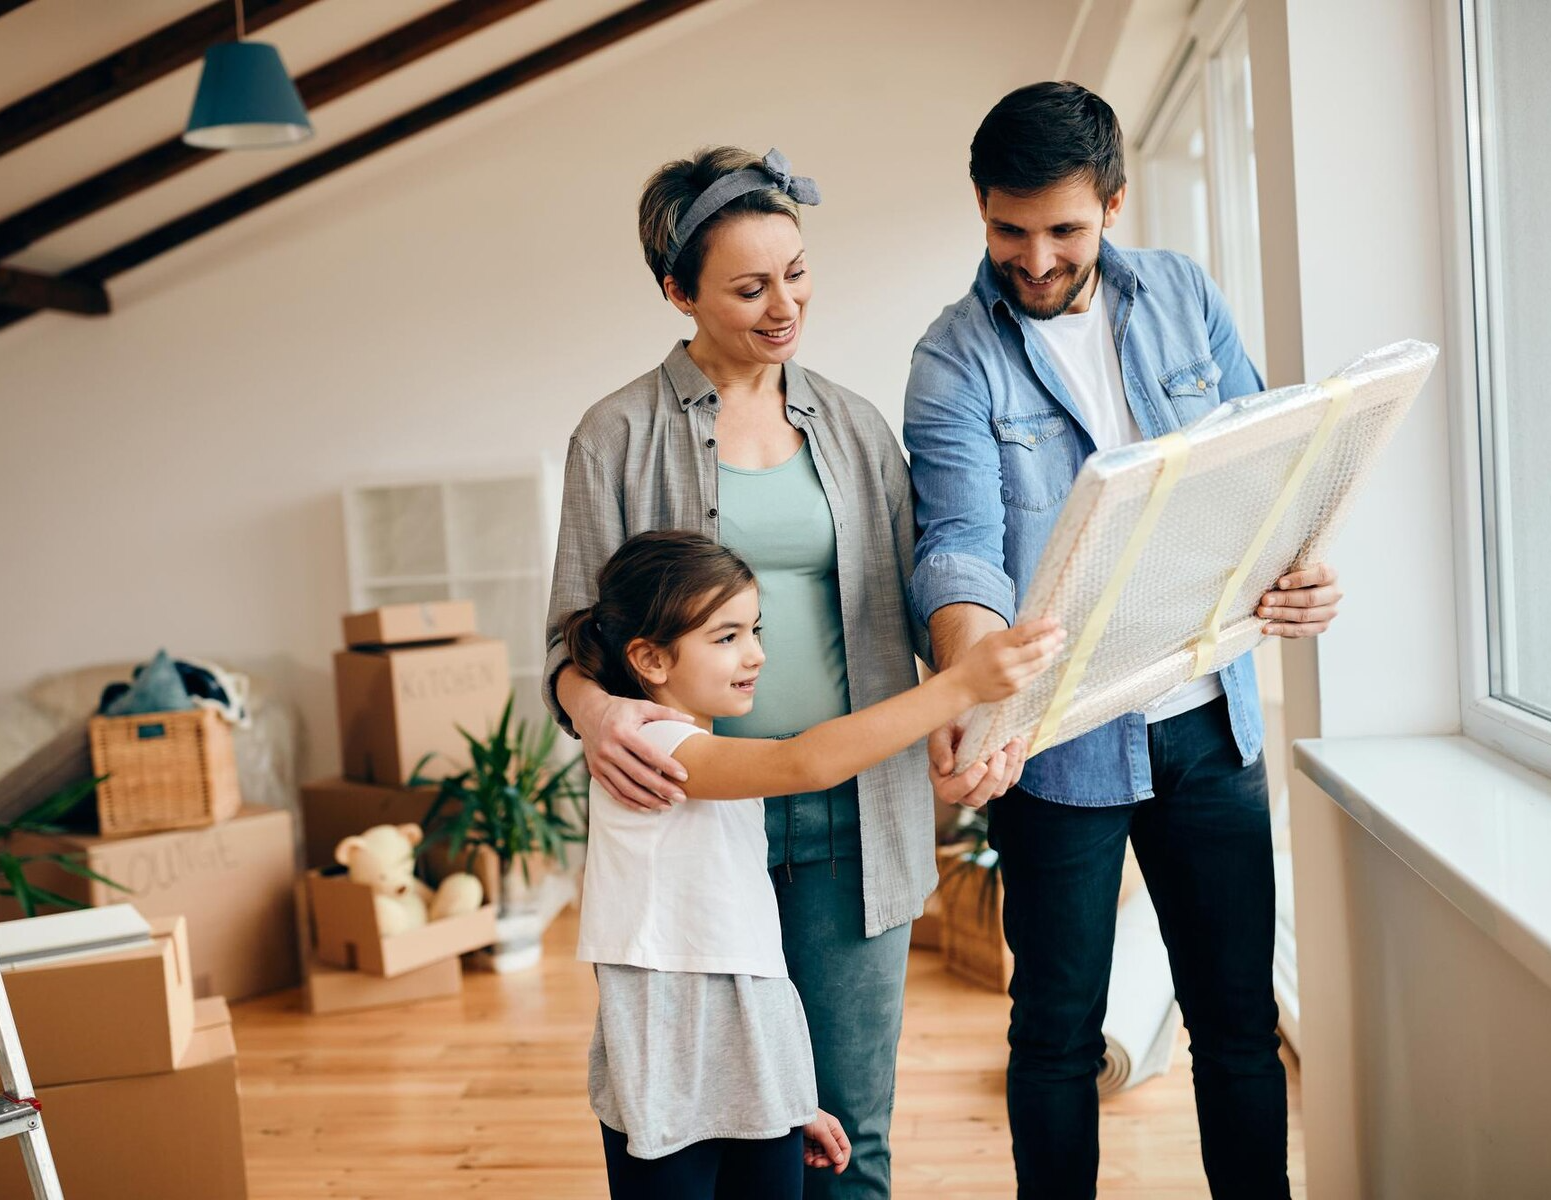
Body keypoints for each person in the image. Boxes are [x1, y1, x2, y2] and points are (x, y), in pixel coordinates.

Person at [903, 82, 1343, 1199]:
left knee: (1236, 1021)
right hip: (1057, 747)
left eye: (1065, 229)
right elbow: (959, 548)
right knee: (1056, 1032)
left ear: (1113, 200)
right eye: (1009, 229)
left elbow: (1265, 463)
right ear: (980, 207)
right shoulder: (953, 358)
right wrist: (974, 675)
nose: (1036, 257)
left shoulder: (1185, 295)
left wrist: (1301, 568)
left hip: (1206, 719)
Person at [544, 146, 966, 1196]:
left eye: (798, 273)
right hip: (697, 828)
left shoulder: (858, 430)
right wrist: (595, 714)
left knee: (849, 1132)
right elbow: (570, 642)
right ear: (678, 291)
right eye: (748, 287)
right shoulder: (616, 436)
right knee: (721, 1127)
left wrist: (969, 699)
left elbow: (927, 598)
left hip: (853, 821)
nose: (786, 307)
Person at [567, 529, 1063, 1198]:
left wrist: (791, 1094)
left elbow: (748, 965)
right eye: (726, 637)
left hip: (752, 1058)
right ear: (650, 659)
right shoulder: (650, 746)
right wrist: (960, 685)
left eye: (754, 630)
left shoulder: (709, 757)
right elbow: (804, 763)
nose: (757, 654)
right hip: (667, 1058)